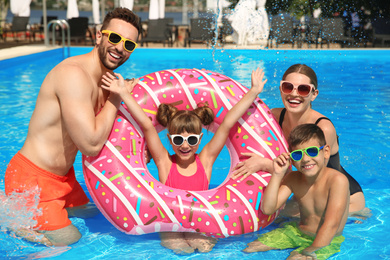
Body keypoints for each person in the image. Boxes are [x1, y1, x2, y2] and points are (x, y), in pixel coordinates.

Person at [4, 7, 141, 246]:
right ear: (99, 36)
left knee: (97, 214)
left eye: (129, 44)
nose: (120, 48)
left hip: (64, 179)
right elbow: (90, 144)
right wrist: (116, 99)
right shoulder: (73, 75)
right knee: (69, 243)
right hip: (33, 181)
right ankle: (6, 210)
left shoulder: (106, 81)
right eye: (115, 38)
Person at [101, 68, 267, 254]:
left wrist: (253, 91)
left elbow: (227, 123)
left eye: (192, 140)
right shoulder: (165, 162)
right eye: (178, 140)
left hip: (201, 221)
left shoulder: (205, 160)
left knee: (205, 248)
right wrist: (123, 93)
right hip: (170, 225)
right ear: (170, 139)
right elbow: (147, 127)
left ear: (201, 138)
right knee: (180, 250)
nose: (185, 145)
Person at [232, 64, 366, 214]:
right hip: (305, 189)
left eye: (303, 89)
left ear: (314, 94)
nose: (294, 94)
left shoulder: (323, 128)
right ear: (281, 89)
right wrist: (254, 91)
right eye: (288, 87)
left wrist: (265, 164)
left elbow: (313, 174)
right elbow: (235, 120)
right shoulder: (275, 116)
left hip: (342, 196)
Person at [243, 124, 349, 259]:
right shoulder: (293, 179)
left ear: (326, 151)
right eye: (297, 154)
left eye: (312, 151)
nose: (305, 159)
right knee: (250, 248)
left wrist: (309, 251)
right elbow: (268, 209)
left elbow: (331, 225)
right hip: (297, 231)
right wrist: (277, 174)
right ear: (291, 159)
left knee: (294, 258)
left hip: (326, 241)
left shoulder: (337, 181)